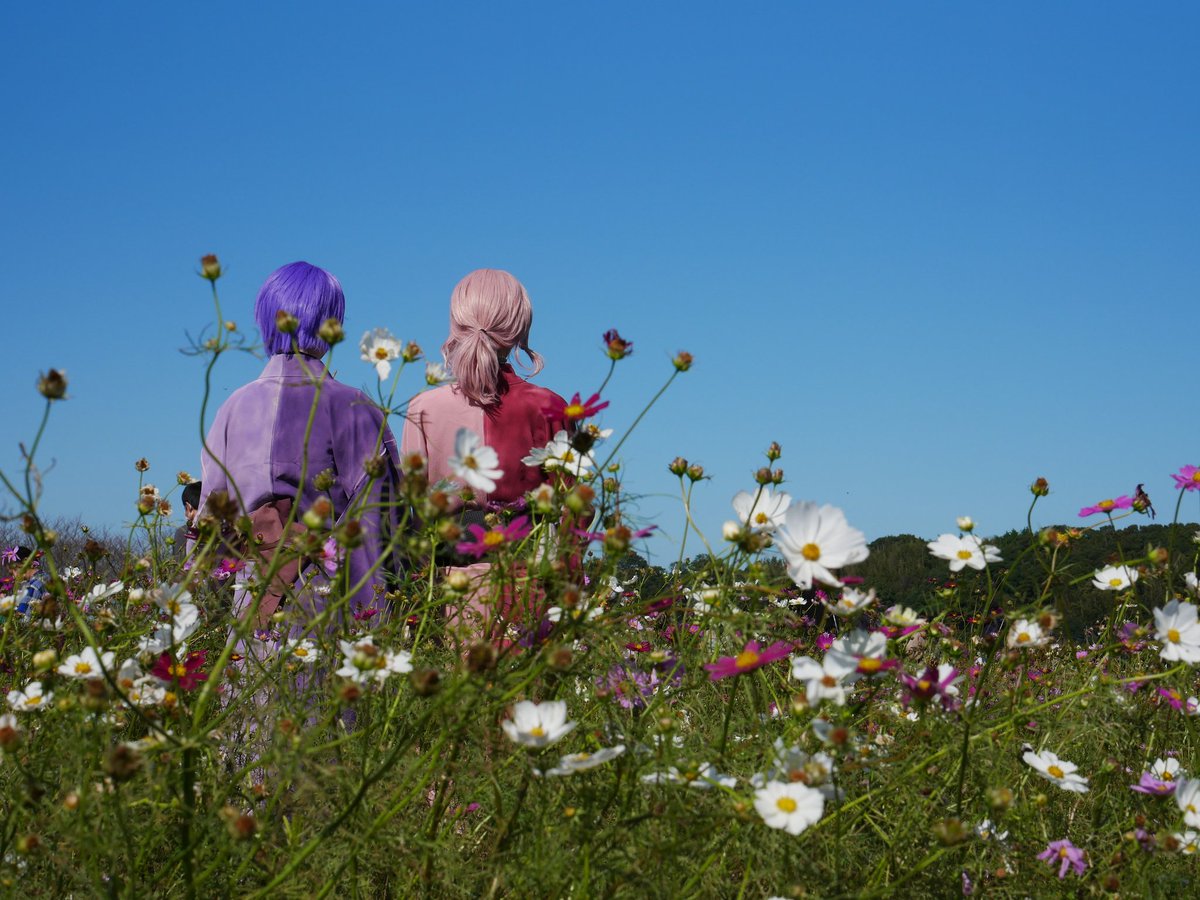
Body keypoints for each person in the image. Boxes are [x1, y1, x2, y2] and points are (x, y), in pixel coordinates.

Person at [199, 261, 402, 637]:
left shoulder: (232, 408)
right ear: (332, 323)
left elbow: (211, 524)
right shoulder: (352, 406)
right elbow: (379, 524)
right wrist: (374, 627)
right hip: (327, 607)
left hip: (249, 607)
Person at [400, 268, 571, 644]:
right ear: (519, 328)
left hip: (449, 588)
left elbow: (414, 517)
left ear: (456, 324)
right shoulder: (549, 407)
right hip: (529, 584)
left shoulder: (422, 408)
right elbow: (572, 513)